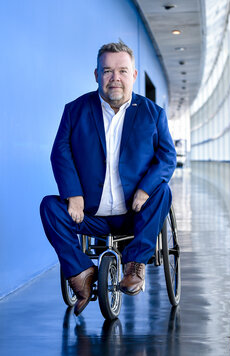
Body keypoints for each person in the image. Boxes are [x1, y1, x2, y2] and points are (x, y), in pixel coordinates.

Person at [40, 42, 177, 315]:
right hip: (89, 213)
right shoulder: (75, 110)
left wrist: (145, 190)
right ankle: (82, 272)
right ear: (96, 75)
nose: (115, 78)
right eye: (108, 71)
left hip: (134, 213)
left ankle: (135, 264)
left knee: (163, 192)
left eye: (122, 71)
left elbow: (167, 157)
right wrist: (73, 194)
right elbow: (60, 153)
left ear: (134, 75)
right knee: (49, 207)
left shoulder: (153, 114)